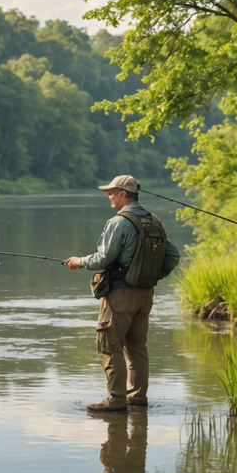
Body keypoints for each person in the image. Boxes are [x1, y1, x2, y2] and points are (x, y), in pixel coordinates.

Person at [66, 175, 181, 413]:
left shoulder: (118, 222)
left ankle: (116, 399)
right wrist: (151, 278)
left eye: (111, 192)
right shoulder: (154, 220)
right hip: (145, 294)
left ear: (122, 194)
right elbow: (173, 256)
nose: (108, 196)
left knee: (109, 346)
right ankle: (138, 398)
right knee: (137, 347)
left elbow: (103, 258)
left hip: (120, 294)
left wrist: (80, 261)